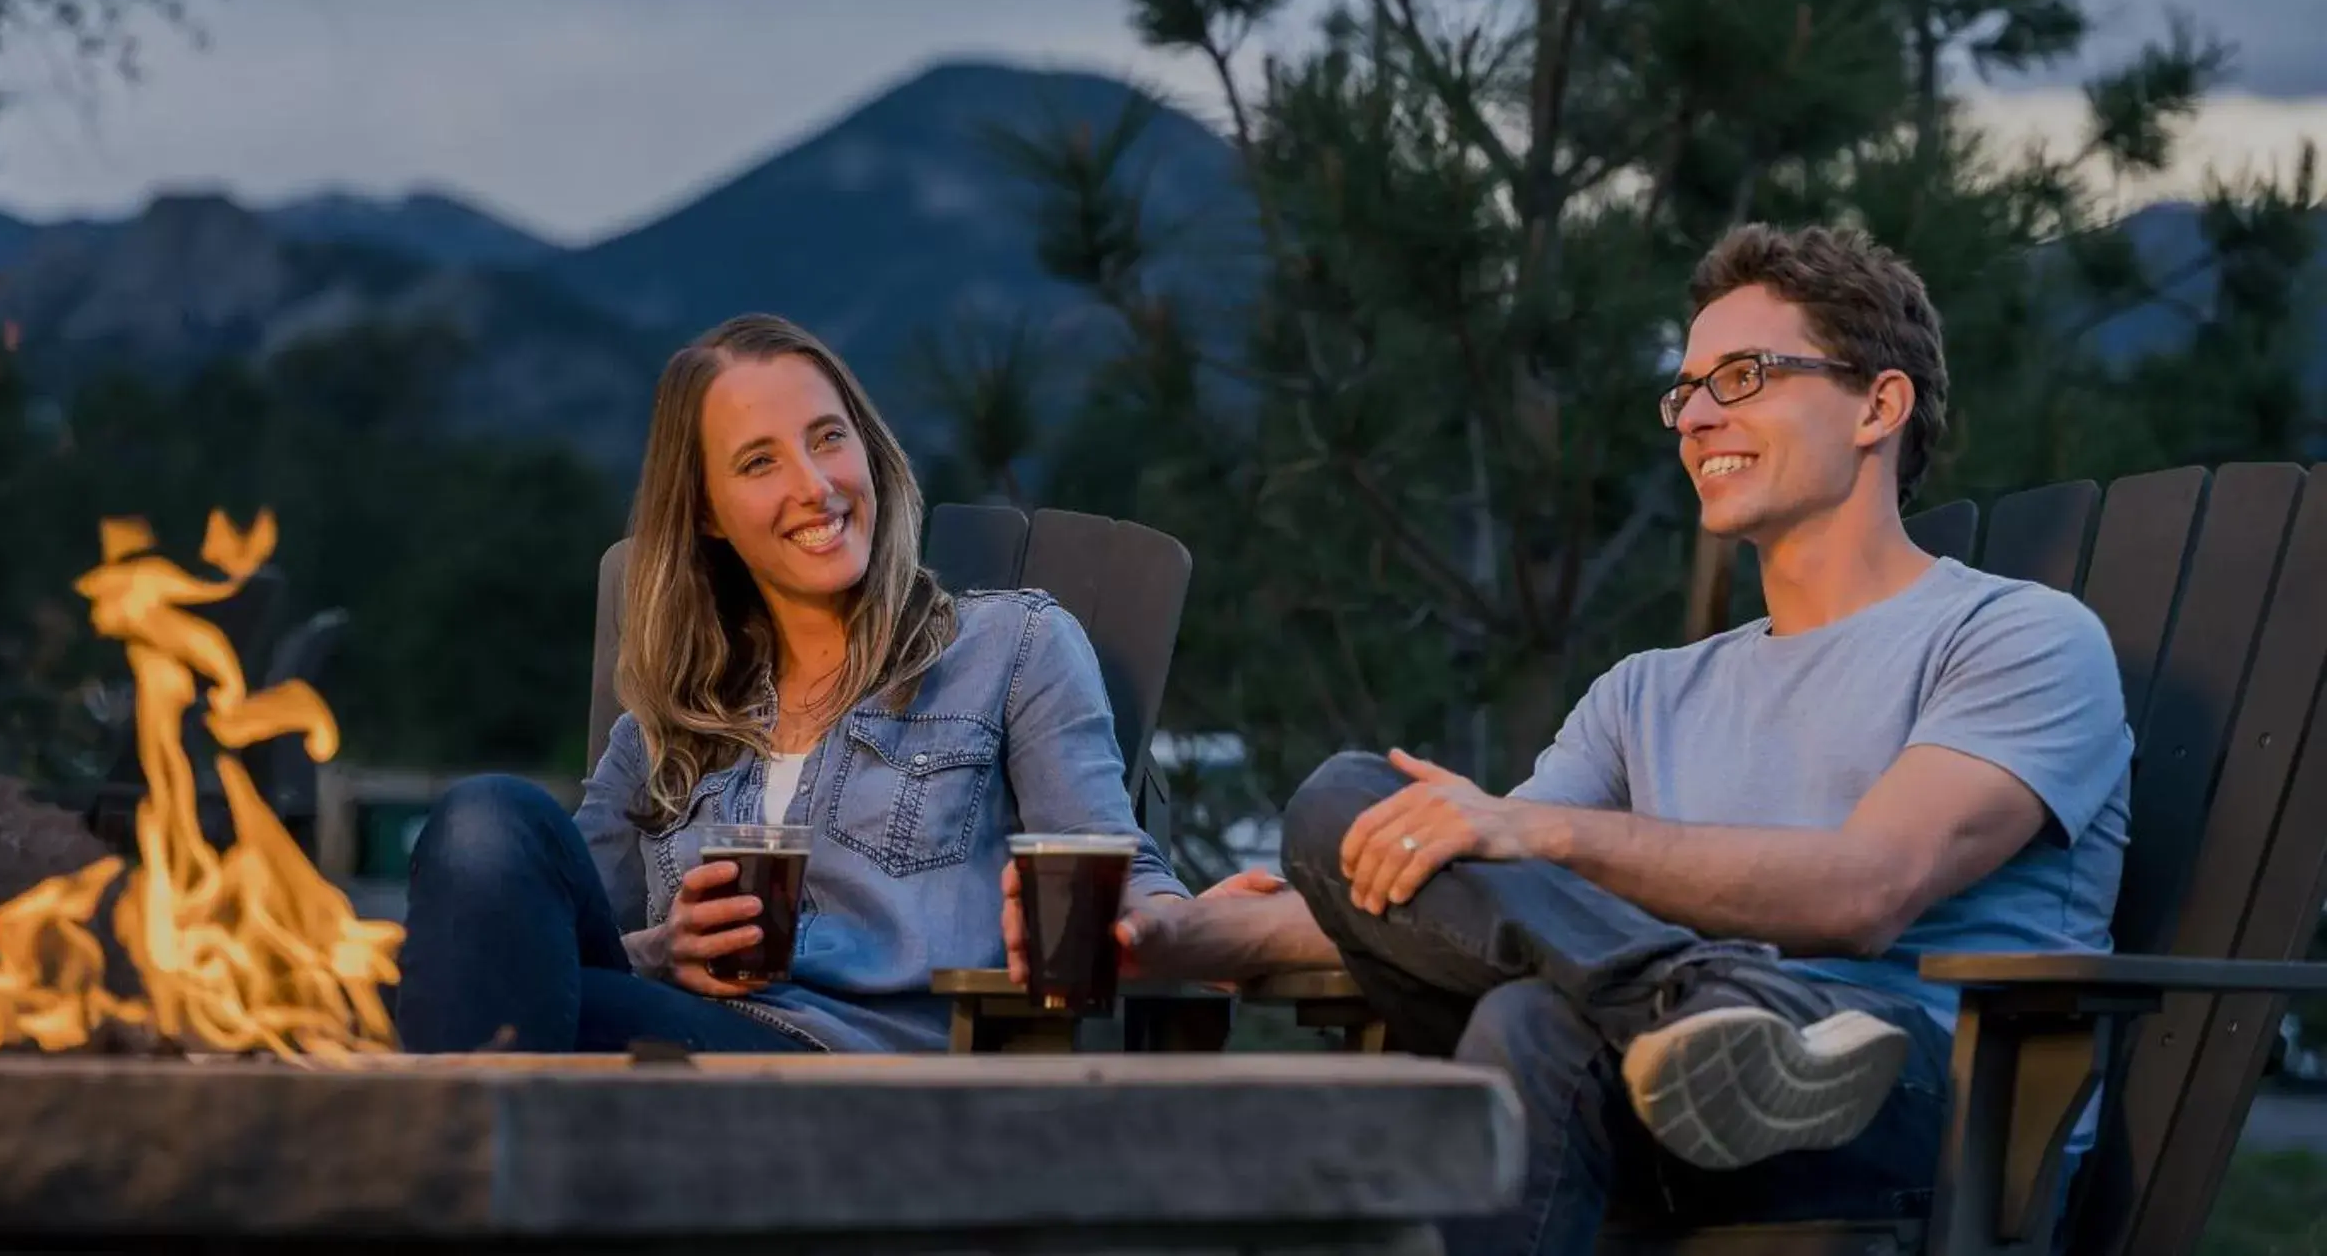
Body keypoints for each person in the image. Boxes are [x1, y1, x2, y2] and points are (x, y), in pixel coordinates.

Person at [1099, 224, 2132, 1254]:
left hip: (1927, 1099)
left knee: (1532, 1022)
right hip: (1664, 1086)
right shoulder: (1647, 691)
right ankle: (1693, 1004)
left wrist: (1539, 835)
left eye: (1744, 375)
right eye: (1685, 390)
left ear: (1878, 404)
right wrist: (1186, 936)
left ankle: (1715, 1010)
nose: (1696, 417)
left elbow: (1866, 892)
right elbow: (1480, 897)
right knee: (1343, 803)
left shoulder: (2017, 637)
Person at [393, 312, 1183, 1053]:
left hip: (860, 1081)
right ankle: (464, 1167)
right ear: (707, 512)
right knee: (489, 819)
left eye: (828, 438)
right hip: (679, 1050)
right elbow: (547, 934)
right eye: (760, 460)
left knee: (475, 1029)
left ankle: (441, 1168)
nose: (814, 484)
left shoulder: (1010, 648)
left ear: (868, 449)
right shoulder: (667, 728)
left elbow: (1117, 875)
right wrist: (661, 950)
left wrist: (1200, 927)